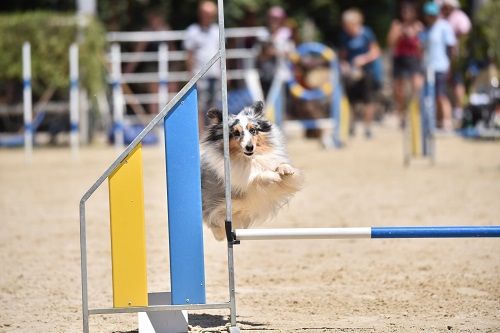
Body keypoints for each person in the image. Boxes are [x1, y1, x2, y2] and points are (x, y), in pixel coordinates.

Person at [339, 8, 382, 138]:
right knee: (350, 101)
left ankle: (367, 128)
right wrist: (344, 65)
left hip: (366, 72)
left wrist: (363, 59)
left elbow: (376, 52)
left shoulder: (366, 33)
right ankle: (351, 127)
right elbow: (343, 56)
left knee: (368, 100)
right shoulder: (344, 36)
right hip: (351, 74)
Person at [184, 0, 220, 132]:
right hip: (199, 75)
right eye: (206, 13)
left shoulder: (217, 30)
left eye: (211, 13)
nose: (208, 16)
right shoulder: (192, 31)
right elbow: (189, 54)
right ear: (200, 14)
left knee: (214, 107)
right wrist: (191, 75)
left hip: (215, 74)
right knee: (199, 108)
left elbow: (221, 53)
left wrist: (225, 73)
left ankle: (212, 135)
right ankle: (201, 136)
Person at [420, 1, 456, 131]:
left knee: (441, 95)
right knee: (431, 97)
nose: (431, 17)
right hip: (428, 67)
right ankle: (437, 121)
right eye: (429, 15)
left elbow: (451, 47)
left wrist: (450, 66)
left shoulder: (444, 26)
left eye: (433, 14)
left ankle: (447, 122)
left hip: (441, 66)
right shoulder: (426, 30)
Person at [386, 1, 424, 127]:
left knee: (417, 87)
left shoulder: (419, 26)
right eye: (404, 11)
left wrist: (414, 35)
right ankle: (401, 115)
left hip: (413, 59)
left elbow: (422, 46)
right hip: (400, 59)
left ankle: (416, 113)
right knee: (399, 90)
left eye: (409, 11)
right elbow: (390, 43)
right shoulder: (396, 25)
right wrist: (400, 33)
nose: (406, 13)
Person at [439, 0, 471, 121]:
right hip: (443, 56)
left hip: (457, 57)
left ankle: (459, 110)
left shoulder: (460, 17)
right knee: (447, 84)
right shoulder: (442, 18)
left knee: (457, 82)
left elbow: (465, 34)